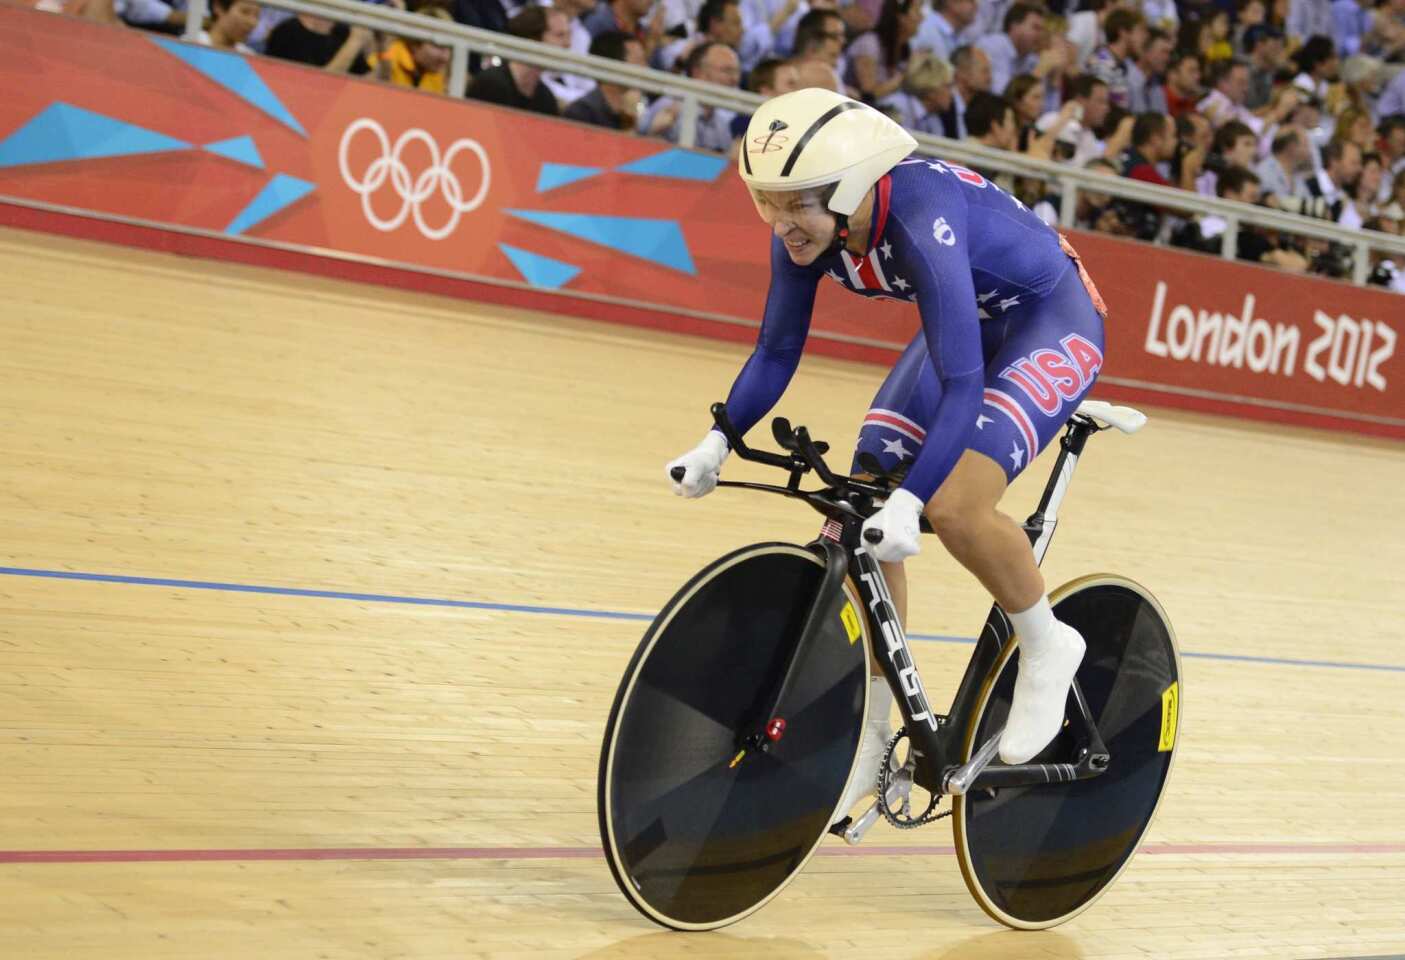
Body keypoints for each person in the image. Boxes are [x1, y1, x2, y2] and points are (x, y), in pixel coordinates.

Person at [665, 89, 1108, 823]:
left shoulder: (914, 215)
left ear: (848, 189)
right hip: (971, 325)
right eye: (767, 204)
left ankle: (1047, 642)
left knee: (954, 505)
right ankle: (876, 730)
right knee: (859, 498)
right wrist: (718, 441)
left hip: (1049, 321)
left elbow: (964, 382)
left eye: (795, 205)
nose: (780, 225)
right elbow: (775, 350)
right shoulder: (811, 233)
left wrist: (914, 503)